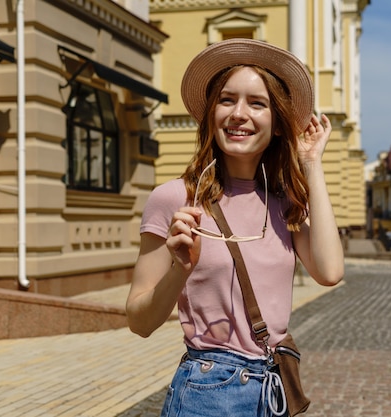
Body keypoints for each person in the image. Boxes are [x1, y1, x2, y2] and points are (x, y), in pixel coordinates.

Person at [126, 38, 344, 417]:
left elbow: (329, 271)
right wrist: (182, 268)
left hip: (273, 390)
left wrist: (311, 163)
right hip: (208, 392)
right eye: (227, 100)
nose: (238, 113)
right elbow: (139, 321)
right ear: (212, 113)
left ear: (277, 123)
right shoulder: (175, 198)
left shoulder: (284, 202)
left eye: (256, 103)